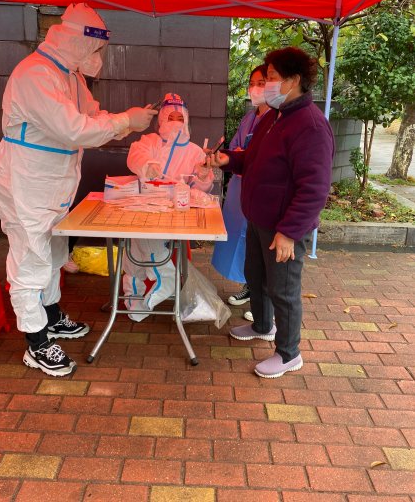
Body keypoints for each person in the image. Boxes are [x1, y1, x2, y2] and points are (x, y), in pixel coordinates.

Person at [0, 2, 157, 377]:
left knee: (53, 252)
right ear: (77, 42)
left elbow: (92, 117)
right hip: (27, 179)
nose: (99, 56)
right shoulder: (34, 74)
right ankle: (36, 341)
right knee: (30, 257)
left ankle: (50, 316)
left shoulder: (69, 75)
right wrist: (124, 121)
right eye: (96, 48)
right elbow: (74, 129)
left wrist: (128, 122)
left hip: (54, 181)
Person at [210, 47, 334, 378]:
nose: (266, 85)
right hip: (259, 219)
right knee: (256, 277)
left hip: (283, 226)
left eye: (272, 78)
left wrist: (289, 232)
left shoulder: (310, 126)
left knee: (283, 289)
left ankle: (289, 353)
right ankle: (262, 325)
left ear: (294, 80)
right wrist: (229, 159)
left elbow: (315, 188)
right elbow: (252, 158)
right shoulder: (274, 118)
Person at [123, 93, 214, 321]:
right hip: (145, 206)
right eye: (170, 117)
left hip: (176, 213)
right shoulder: (150, 142)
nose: (175, 122)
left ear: (186, 120)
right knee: (133, 250)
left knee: (145, 241)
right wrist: (147, 165)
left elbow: (201, 189)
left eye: (179, 118)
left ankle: (163, 279)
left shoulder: (195, 151)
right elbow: (136, 155)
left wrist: (203, 175)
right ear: (161, 119)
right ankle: (133, 297)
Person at [211, 65, 270, 317]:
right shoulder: (248, 118)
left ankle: (264, 304)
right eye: (252, 83)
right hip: (239, 189)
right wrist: (223, 157)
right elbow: (235, 148)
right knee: (241, 238)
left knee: (260, 245)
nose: (255, 88)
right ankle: (249, 286)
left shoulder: (277, 120)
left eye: (262, 83)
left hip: (261, 191)